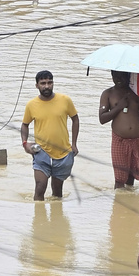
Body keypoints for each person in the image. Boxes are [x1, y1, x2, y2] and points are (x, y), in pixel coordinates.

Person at [21, 71, 79, 201]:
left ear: (53, 83)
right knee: (40, 187)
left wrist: (74, 144)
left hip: (63, 153)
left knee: (57, 191)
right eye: (43, 83)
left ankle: (56, 218)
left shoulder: (65, 100)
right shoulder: (31, 105)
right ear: (37, 85)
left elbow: (75, 119)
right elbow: (25, 125)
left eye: (49, 83)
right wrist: (25, 144)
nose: (46, 86)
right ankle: (39, 219)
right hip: (41, 152)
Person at [99, 70, 139, 188]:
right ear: (112, 76)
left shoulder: (136, 93)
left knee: (132, 176)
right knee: (119, 179)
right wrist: (118, 107)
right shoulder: (108, 94)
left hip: (137, 139)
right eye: (115, 76)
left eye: (122, 76)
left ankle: (129, 201)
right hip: (119, 140)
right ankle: (119, 203)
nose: (119, 79)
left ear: (129, 76)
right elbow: (102, 118)